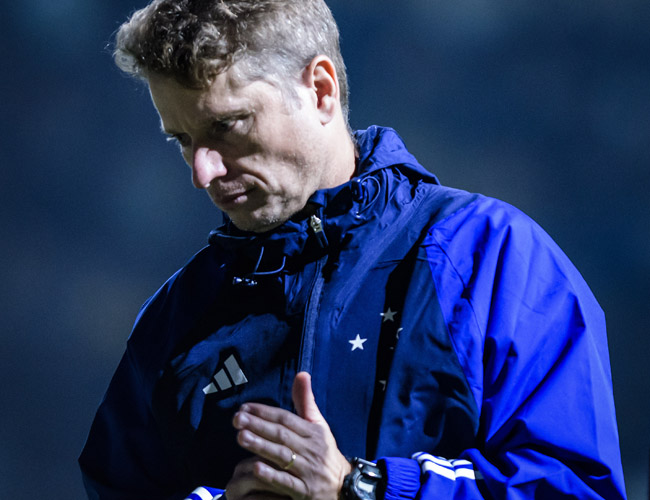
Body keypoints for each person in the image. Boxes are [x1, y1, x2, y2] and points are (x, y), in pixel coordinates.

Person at [79, 1, 627, 499]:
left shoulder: (490, 256)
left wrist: (361, 487)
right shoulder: (175, 319)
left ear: (320, 89)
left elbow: (577, 490)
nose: (203, 172)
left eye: (227, 125)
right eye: (183, 140)